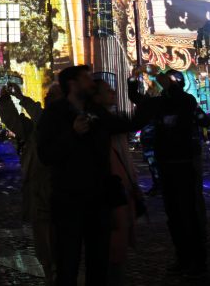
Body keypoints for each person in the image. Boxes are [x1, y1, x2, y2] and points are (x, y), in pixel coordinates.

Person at [38, 65, 132, 286]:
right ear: (73, 83)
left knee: (98, 264)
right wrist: (72, 134)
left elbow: (127, 124)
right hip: (68, 201)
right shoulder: (54, 114)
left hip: (98, 200)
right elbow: (46, 154)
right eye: (87, 78)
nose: (92, 83)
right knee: (68, 264)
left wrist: (145, 95)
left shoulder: (96, 111)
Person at [129, 68, 210, 277]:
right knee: (174, 214)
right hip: (166, 163)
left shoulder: (186, 100)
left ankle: (197, 260)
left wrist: (162, 80)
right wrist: (133, 78)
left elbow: (204, 120)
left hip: (184, 161)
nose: (165, 82)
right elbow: (137, 98)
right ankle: (183, 257)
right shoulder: (160, 102)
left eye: (170, 80)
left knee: (189, 212)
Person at [0, 82, 59, 285]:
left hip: (58, 185)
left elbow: (42, 118)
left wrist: (22, 98)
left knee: (59, 236)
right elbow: (15, 122)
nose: (49, 96)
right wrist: (5, 99)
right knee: (43, 238)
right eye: (48, 93)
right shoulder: (35, 126)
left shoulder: (58, 120)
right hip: (37, 186)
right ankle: (51, 273)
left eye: (54, 94)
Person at [95, 80, 140, 286]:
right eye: (107, 90)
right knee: (113, 246)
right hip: (111, 191)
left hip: (122, 188)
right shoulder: (101, 123)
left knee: (118, 247)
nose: (113, 92)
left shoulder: (113, 120)